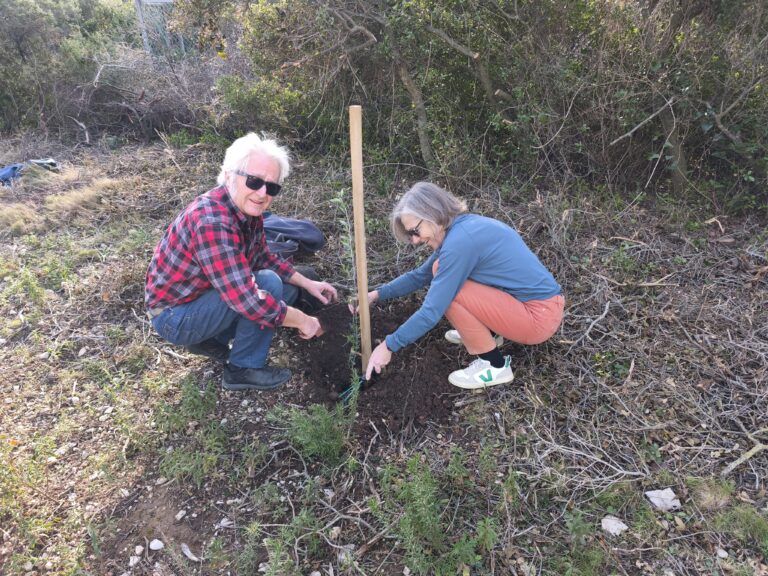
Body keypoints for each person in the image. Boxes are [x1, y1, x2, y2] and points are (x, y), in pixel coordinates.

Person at [145, 133, 337, 391]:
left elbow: (264, 257)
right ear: (227, 175)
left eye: (272, 187)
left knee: (282, 284)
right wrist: (305, 321)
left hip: (200, 298)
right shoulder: (212, 222)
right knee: (267, 284)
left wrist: (308, 283)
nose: (262, 193)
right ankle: (242, 369)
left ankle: (211, 338)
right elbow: (247, 299)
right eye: (254, 181)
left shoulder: (245, 208)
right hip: (175, 316)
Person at [363, 182, 563, 389]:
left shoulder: (460, 243)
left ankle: (494, 366)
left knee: (449, 292)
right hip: (533, 307)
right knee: (439, 272)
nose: (414, 240)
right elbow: (419, 276)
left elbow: (432, 310)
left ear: (432, 214)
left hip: (537, 318)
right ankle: (488, 333)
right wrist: (377, 294)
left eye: (415, 231)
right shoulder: (462, 229)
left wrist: (388, 345)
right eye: (410, 234)